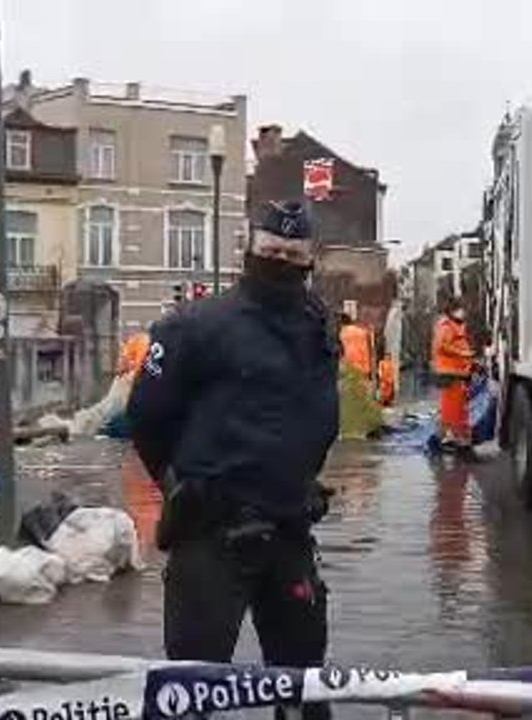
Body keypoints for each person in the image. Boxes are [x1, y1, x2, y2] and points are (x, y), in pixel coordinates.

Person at [127, 199, 339, 720]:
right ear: (249, 249)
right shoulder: (195, 326)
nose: (281, 261)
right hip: (211, 534)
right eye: (270, 250)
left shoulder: (318, 330)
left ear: (310, 259)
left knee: (303, 685)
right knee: (189, 691)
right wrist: (179, 484)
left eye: (293, 253)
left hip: (289, 528)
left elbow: (314, 416)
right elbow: (146, 417)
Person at [432, 297, 475, 450]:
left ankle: (455, 437)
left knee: (456, 407)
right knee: (452, 408)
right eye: (461, 309)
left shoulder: (454, 325)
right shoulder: (447, 326)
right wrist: (463, 354)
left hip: (456, 372)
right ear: (453, 310)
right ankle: (449, 437)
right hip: (450, 373)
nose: (463, 313)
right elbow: (442, 346)